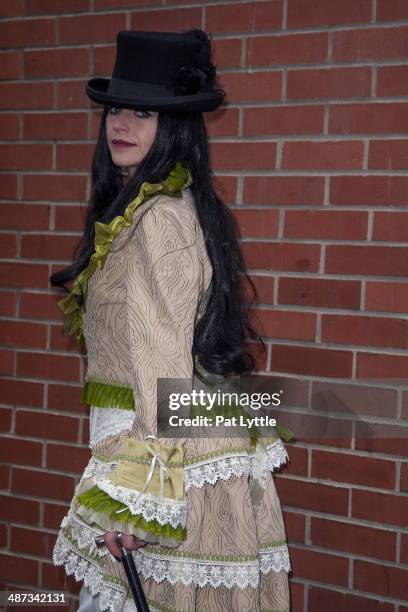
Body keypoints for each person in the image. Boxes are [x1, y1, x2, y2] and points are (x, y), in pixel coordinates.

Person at [50, 29, 292, 612]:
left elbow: (164, 381)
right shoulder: (143, 210)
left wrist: (136, 501)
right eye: (114, 109)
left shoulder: (159, 220)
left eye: (142, 111)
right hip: (160, 442)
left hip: (171, 452)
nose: (120, 123)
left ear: (175, 126)